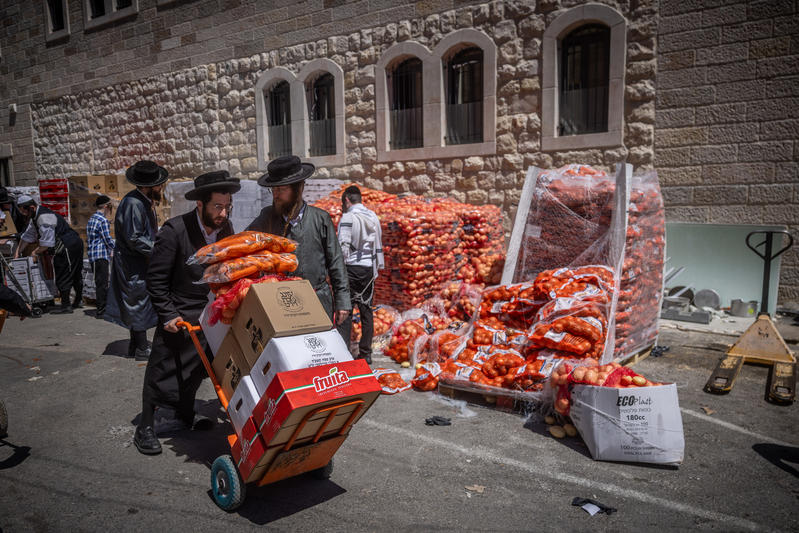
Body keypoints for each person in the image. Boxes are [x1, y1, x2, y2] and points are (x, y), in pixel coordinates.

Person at [134, 170, 239, 455]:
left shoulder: (226, 230)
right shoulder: (174, 231)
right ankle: (145, 425)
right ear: (200, 205)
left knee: (195, 370)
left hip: (211, 314)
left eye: (227, 206)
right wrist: (167, 315)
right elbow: (156, 280)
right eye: (218, 206)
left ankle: (184, 415)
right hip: (179, 314)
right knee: (164, 368)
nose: (223, 212)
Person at [247, 155, 350, 326]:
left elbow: (336, 263)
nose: (275, 195)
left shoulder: (320, 219)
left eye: (281, 189)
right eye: (273, 189)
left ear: (299, 188)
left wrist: (343, 302)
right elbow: (246, 242)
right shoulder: (266, 217)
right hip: (280, 305)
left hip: (317, 301)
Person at [105, 160, 169, 360]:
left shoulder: (142, 201)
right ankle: (142, 348)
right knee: (138, 300)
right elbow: (134, 238)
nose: (161, 187)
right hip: (133, 263)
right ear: (148, 186)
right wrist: (160, 250)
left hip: (138, 261)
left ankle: (135, 344)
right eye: (158, 184)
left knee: (137, 300)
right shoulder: (133, 203)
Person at [336, 185, 384, 364]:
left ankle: (344, 353)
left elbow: (343, 247)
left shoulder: (348, 217)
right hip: (368, 270)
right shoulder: (373, 216)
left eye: (343, 203)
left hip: (351, 269)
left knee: (345, 310)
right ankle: (366, 354)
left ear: (347, 200)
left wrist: (337, 271)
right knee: (366, 312)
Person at [14, 195, 83, 314]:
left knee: (64, 272)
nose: (23, 214)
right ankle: (77, 301)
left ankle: (67, 306)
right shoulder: (35, 217)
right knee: (73, 272)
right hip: (73, 243)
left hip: (67, 245)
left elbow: (47, 243)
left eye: (24, 211)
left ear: (31, 207)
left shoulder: (44, 218)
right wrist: (17, 253)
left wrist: (34, 252)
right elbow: (27, 236)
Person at [87, 195, 115, 319]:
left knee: (99, 283)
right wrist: (118, 245)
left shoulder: (92, 219)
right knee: (103, 284)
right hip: (101, 255)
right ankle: (102, 311)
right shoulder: (102, 220)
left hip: (93, 255)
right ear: (105, 206)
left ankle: (101, 308)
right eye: (110, 206)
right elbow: (107, 239)